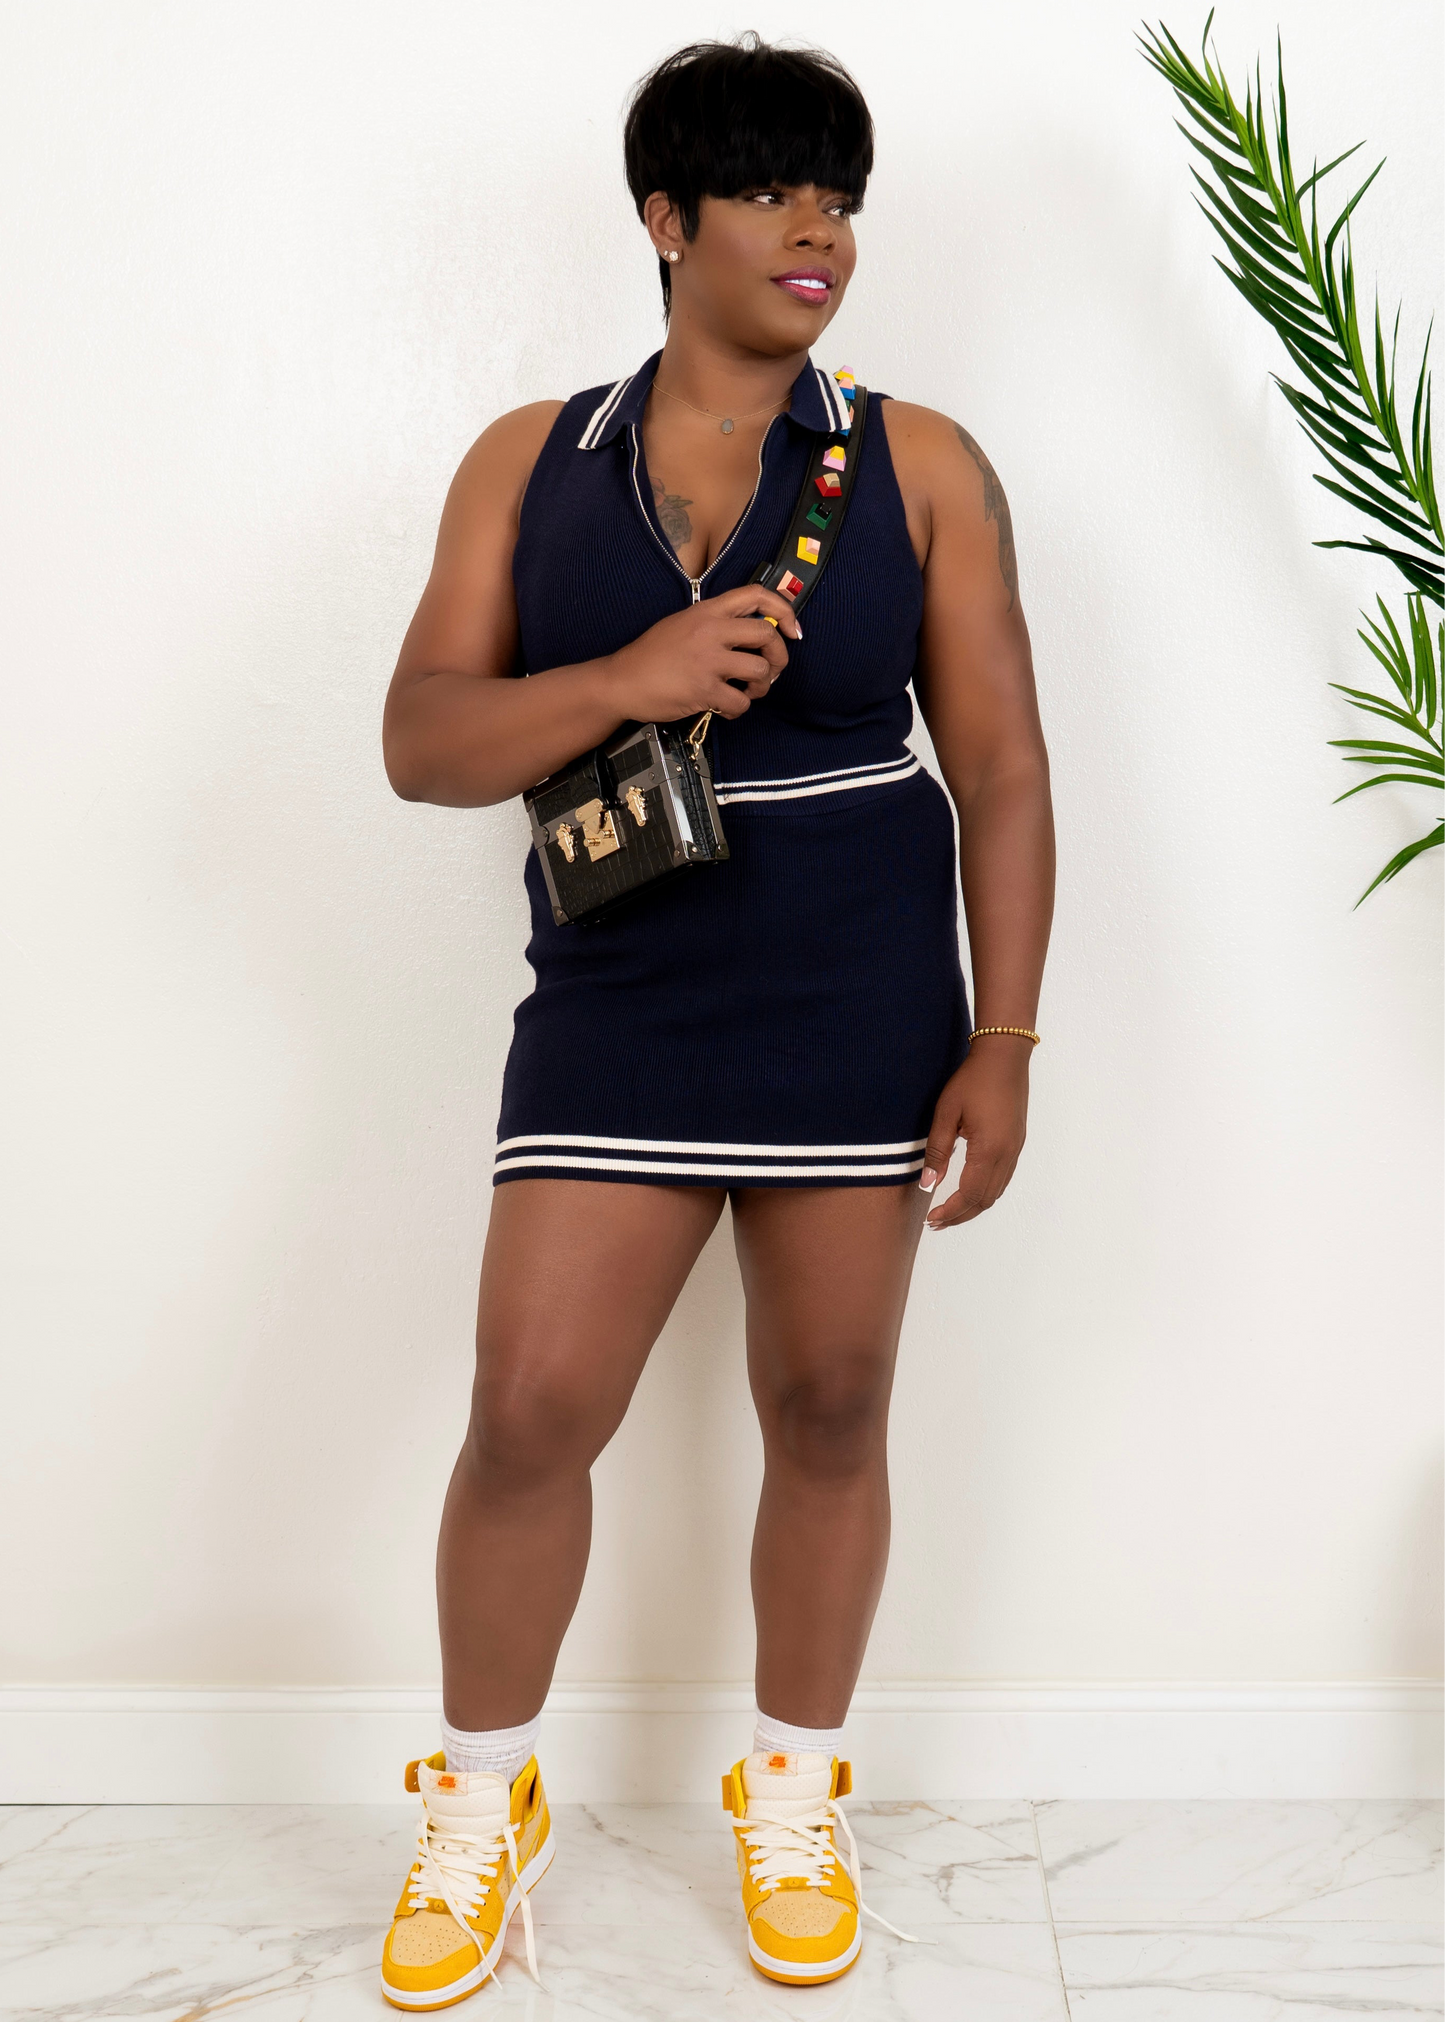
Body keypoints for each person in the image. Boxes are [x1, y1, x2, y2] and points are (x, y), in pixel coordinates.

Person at [377, 33, 1054, 2005]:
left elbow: (1000, 765)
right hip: (622, 982)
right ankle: (480, 1795)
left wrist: (1000, 1041)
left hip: (854, 985)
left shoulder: (914, 460)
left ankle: (792, 1786)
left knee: (828, 1404)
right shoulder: (528, 457)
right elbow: (425, 741)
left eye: (836, 192)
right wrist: (637, 667)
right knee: (528, 1409)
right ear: (664, 221)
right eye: (767, 190)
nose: (814, 229)